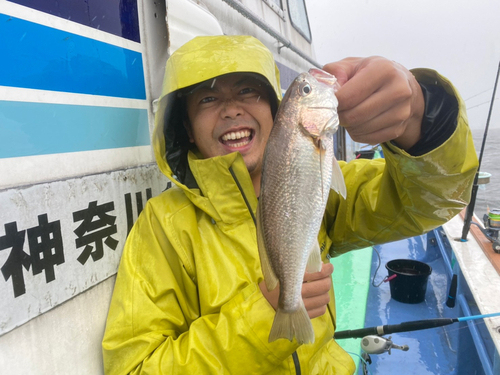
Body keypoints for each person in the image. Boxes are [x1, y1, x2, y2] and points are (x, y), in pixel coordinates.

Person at [102, 35, 478, 374]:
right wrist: (258, 319)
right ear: (186, 129)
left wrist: (422, 113)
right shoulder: (164, 223)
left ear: (277, 111)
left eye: (248, 92)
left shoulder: (319, 181)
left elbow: (429, 202)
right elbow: (134, 367)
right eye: (208, 98)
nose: (231, 110)